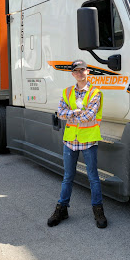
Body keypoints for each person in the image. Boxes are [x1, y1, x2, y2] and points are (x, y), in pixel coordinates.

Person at [47, 59, 108, 228]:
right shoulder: (67, 92)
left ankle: (98, 210)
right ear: (73, 74)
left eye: (83, 70)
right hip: (70, 140)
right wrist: (75, 111)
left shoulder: (96, 92)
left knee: (93, 177)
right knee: (67, 177)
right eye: (77, 71)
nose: (80, 73)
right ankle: (62, 209)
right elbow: (60, 113)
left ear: (87, 72)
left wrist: (70, 113)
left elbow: (89, 115)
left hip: (88, 140)